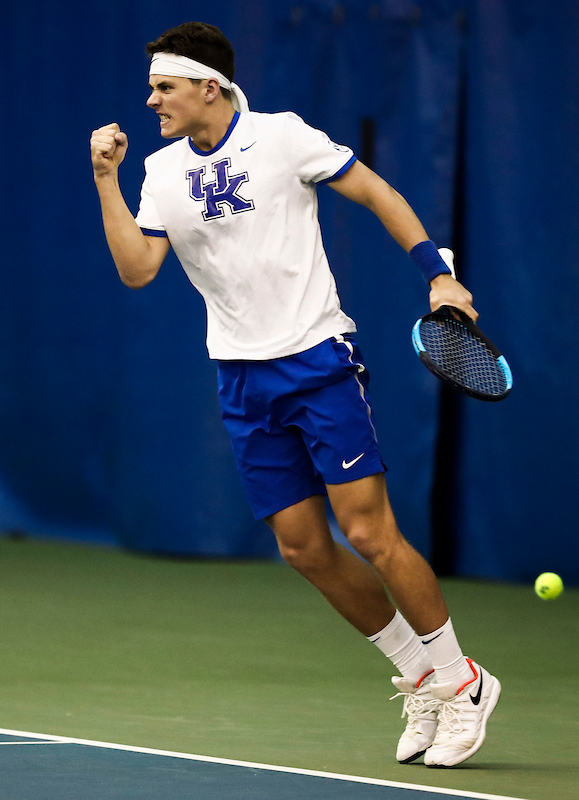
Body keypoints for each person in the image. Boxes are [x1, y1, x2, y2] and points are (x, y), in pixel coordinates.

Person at [90, 21, 498, 768]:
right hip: (240, 375)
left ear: (208, 86)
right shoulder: (157, 170)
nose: (151, 101)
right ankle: (422, 675)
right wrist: (105, 180)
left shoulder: (281, 137)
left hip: (316, 359)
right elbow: (137, 269)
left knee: (370, 534)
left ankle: (462, 678)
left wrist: (437, 272)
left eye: (164, 87)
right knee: (305, 549)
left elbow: (374, 190)